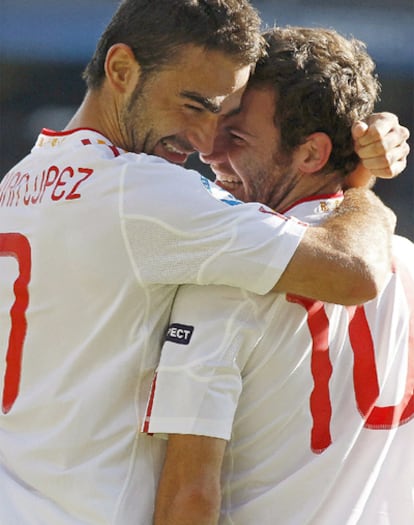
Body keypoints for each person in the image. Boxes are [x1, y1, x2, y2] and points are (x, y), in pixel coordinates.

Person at [0, 0, 408, 522]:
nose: (201, 143)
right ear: (121, 70)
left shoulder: (22, 178)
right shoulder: (150, 195)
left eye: (222, 118)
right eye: (194, 106)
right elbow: (355, 271)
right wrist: (360, 181)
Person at [145, 27, 414, 525]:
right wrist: (360, 181)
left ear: (311, 154)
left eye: (237, 136)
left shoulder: (228, 279)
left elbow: (190, 499)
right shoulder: (405, 259)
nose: (209, 151)